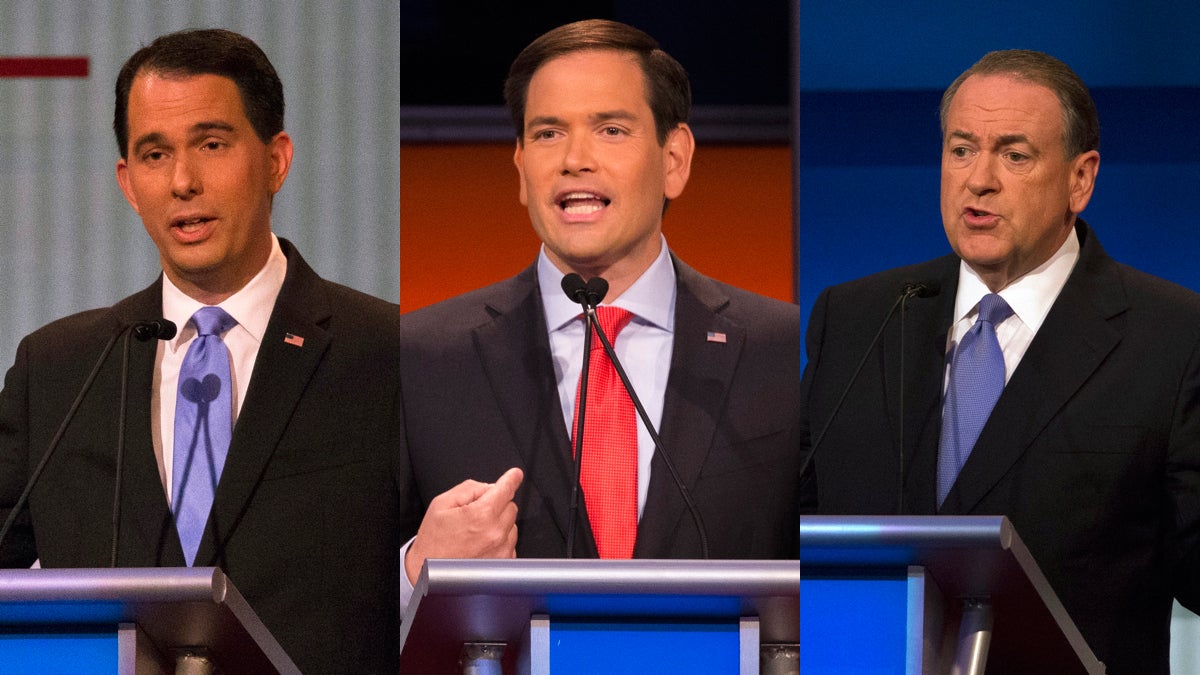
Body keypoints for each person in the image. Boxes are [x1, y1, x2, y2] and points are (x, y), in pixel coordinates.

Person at [0, 29, 415, 672]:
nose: (183, 182)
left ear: (276, 160)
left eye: (212, 145)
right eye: (154, 154)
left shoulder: (388, 354)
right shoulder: (59, 370)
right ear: (128, 182)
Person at [798, 49, 1200, 673]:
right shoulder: (857, 318)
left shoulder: (1173, 337)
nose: (977, 179)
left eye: (1014, 155)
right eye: (961, 149)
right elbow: (791, 537)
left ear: (1080, 179)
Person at [397, 19, 801, 597]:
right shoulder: (419, 357)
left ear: (675, 159)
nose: (574, 159)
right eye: (547, 134)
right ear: (520, 168)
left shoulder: (783, 348)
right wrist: (418, 568)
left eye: (611, 129)